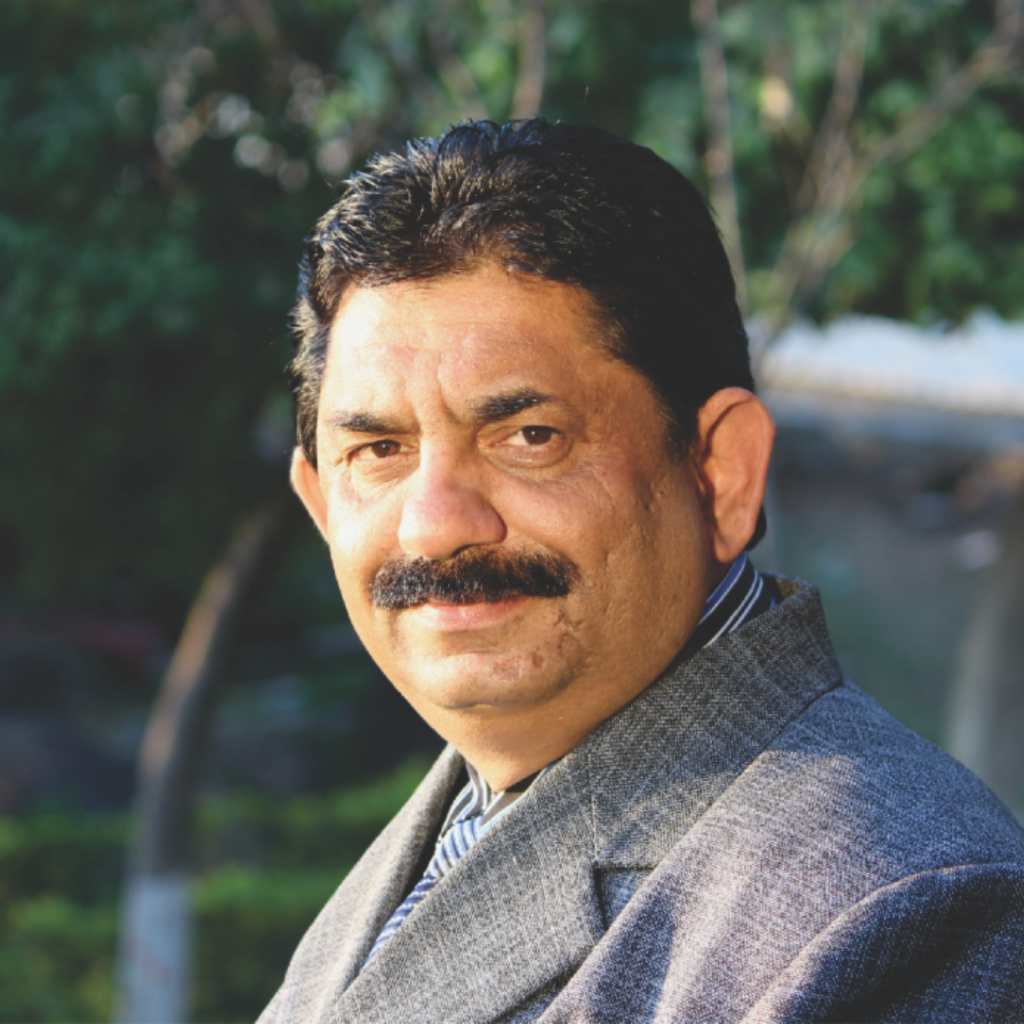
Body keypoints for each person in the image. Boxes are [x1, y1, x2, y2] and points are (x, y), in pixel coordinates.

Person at [259, 119, 1024, 1024]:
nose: (434, 528)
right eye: (380, 450)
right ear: (320, 503)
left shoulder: (904, 903)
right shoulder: (459, 819)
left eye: (528, 437)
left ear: (721, 472)